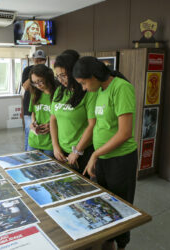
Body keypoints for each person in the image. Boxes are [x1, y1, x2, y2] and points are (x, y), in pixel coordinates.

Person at [73, 56, 137, 250]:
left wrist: (94, 154)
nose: (83, 88)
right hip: (104, 158)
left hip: (120, 160)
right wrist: (97, 155)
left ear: (93, 76)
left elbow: (124, 133)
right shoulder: (100, 90)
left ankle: (121, 244)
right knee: (105, 205)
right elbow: (100, 126)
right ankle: (107, 241)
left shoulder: (121, 88)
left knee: (121, 207)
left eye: (83, 83)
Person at [50, 52, 97, 175]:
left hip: (82, 152)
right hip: (61, 152)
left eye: (64, 75)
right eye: (58, 76)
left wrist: (77, 151)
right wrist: (55, 146)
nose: (61, 80)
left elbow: (92, 125)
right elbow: (53, 119)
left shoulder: (88, 92)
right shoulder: (59, 91)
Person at [27, 64, 56, 157]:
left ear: (47, 77)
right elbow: (33, 112)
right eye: (34, 83)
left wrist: (51, 125)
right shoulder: (35, 94)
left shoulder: (58, 94)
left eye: (40, 81)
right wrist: (33, 123)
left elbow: (62, 117)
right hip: (34, 140)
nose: (38, 85)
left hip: (50, 142)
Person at [21, 50, 47, 151]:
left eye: (42, 61)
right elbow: (26, 87)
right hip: (29, 107)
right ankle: (27, 156)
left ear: (45, 61)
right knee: (29, 132)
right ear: (33, 60)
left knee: (43, 132)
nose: (39, 62)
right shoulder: (28, 70)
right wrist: (34, 73)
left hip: (44, 107)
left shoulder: (47, 72)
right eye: (37, 61)